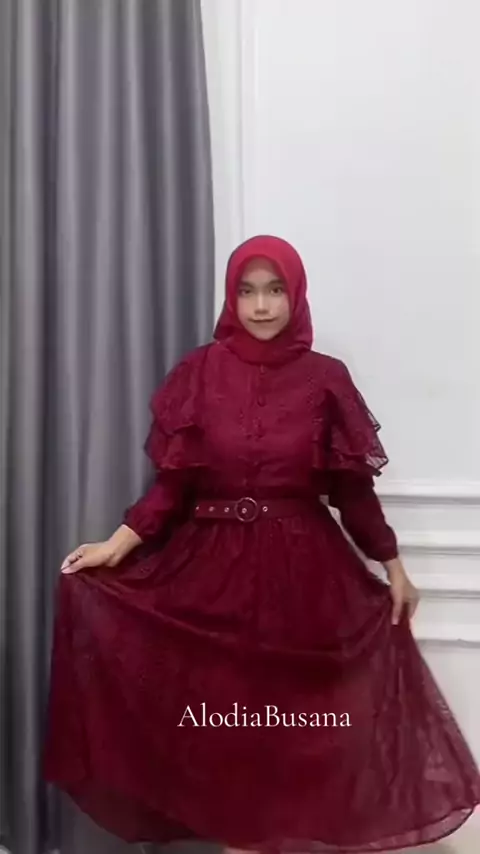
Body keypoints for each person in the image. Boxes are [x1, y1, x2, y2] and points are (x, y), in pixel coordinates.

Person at [44, 235, 480, 853]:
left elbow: (352, 492)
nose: (261, 305)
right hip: (210, 577)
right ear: (232, 297)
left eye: (275, 290)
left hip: (304, 580)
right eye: (247, 291)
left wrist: (394, 567)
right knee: (223, 735)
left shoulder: (326, 379)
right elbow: (174, 485)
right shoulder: (199, 373)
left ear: (295, 295)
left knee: (293, 734)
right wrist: (117, 545)